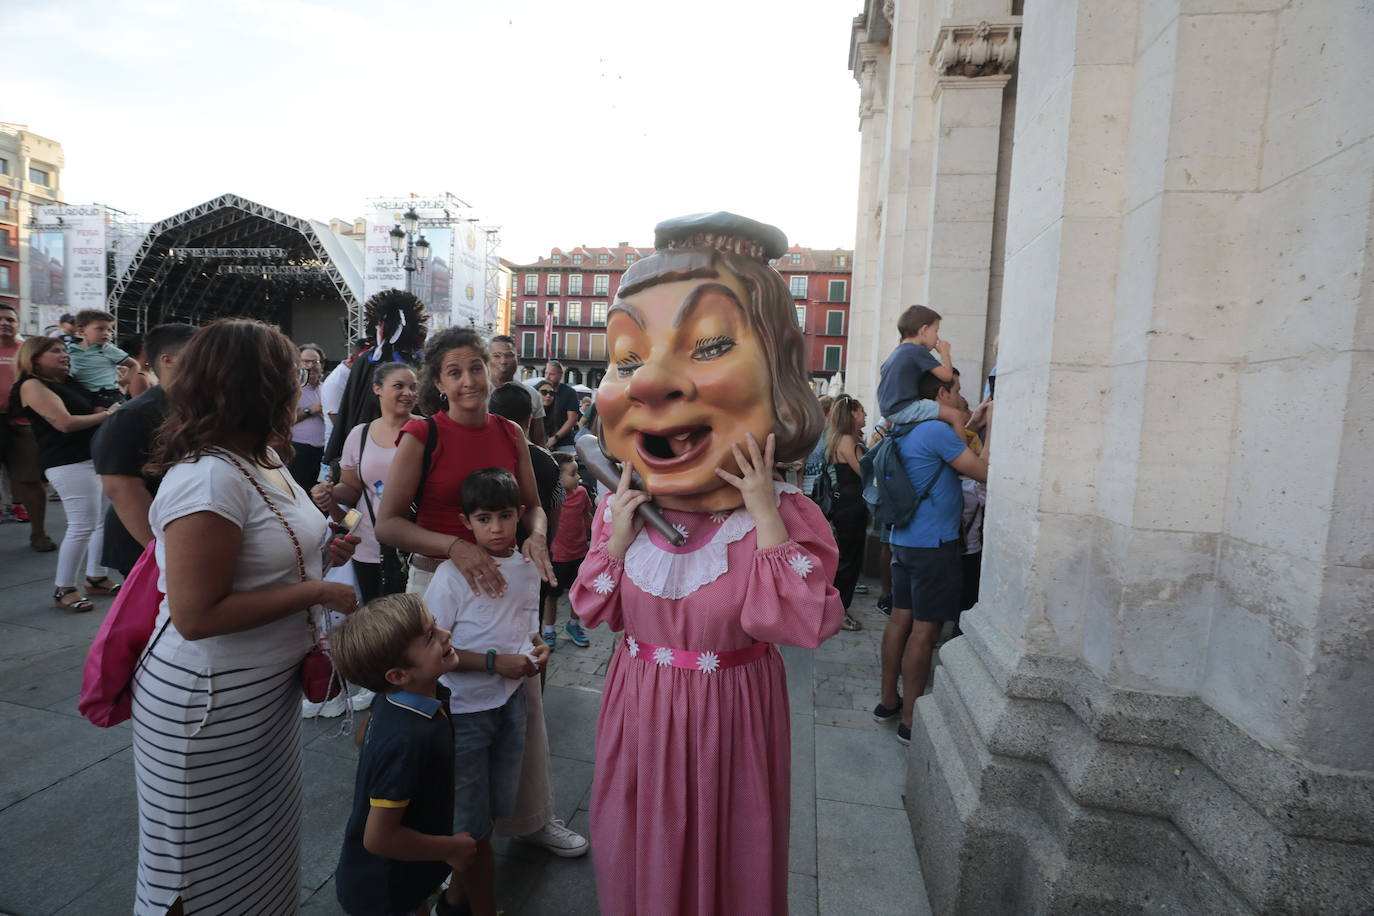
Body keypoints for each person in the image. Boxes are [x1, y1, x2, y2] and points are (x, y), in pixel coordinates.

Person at [569, 212, 844, 915]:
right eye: (626, 359)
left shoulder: (785, 520)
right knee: (637, 847)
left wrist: (765, 516)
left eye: (711, 343)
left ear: (780, 364)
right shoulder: (618, 512)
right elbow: (592, 609)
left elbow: (797, 620)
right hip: (639, 710)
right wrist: (617, 544)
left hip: (731, 723)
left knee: (730, 856)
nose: (648, 384)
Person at [131, 318, 359, 916]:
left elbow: (270, 544)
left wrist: (319, 551)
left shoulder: (260, 456)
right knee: (195, 875)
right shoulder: (207, 477)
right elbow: (196, 614)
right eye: (291, 377)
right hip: (207, 706)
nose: (302, 387)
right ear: (255, 389)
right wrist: (316, 593)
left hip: (259, 694)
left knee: (257, 863)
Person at [422, 468, 550, 916]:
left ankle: (455, 899)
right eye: (484, 519)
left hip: (511, 705)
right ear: (465, 523)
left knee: (488, 817)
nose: (496, 528)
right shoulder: (452, 577)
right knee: (470, 826)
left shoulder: (527, 565)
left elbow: (524, 624)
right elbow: (432, 649)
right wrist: (497, 663)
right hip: (465, 712)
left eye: (504, 516)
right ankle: (480, 906)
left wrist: (536, 646)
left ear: (519, 516)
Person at [373, 327, 554, 601]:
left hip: (502, 579)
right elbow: (387, 525)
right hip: (435, 579)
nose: (469, 381)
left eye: (476, 369)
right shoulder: (422, 435)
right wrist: (455, 546)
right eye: (455, 373)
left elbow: (533, 507)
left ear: (488, 371)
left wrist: (537, 536)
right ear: (438, 383)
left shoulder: (511, 432)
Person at [330, 593, 477, 916]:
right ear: (398, 675)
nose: (445, 634)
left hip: (402, 876)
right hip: (383, 886)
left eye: (435, 625)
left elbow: (361, 738)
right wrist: (451, 848)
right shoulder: (407, 739)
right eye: (430, 637)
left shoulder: (394, 699)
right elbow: (379, 838)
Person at [874, 370, 988, 745]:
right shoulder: (936, 431)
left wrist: (967, 423)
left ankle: (888, 702)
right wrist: (995, 428)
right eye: (957, 391)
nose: (961, 398)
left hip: (905, 540)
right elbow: (983, 472)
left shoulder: (906, 429)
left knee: (899, 623)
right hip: (934, 545)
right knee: (925, 631)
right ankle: (910, 719)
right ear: (941, 393)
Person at [14, 336, 119, 611]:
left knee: (99, 523)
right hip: (67, 461)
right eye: (56, 351)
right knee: (82, 525)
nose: (64, 355)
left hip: (92, 458)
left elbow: (94, 403)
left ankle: (96, 577)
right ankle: (64, 589)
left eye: (64, 350)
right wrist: (108, 414)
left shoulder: (69, 382)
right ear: (35, 358)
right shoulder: (32, 385)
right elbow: (64, 423)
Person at [92, 323, 196, 577]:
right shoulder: (133, 415)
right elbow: (121, 489)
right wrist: (163, 552)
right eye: (200, 353)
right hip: (145, 547)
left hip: (182, 538)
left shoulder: (196, 405)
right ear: (167, 360)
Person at [312, 361, 421, 604]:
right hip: (368, 545)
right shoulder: (359, 434)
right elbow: (352, 491)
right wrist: (329, 493)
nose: (408, 393)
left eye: (413, 387)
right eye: (399, 386)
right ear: (377, 389)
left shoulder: (426, 430)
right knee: (375, 621)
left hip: (414, 545)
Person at [486, 382, 565, 649]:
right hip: (533, 561)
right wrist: (543, 540)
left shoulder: (482, 456)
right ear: (530, 418)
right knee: (532, 638)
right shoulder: (547, 461)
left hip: (488, 562)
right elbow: (554, 513)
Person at [325, 290, 428, 465]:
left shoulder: (366, 361)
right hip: (375, 443)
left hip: (389, 446)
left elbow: (347, 414)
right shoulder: (409, 362)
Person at [0, 302, 54, 551]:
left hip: (22, 425)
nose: (4, 323)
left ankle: (38, 533)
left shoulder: (28, 352)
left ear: (17, 324)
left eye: (10, 319)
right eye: (0, 319)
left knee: (28, 481)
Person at [824, 394, 870, 632]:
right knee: (849, 561)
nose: (865, 416)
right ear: (852, 414)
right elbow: (865, 474)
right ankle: (839, 612)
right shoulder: (848, 441)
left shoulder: (839, 438)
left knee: (846, 559)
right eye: (862, 411)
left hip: (846, 504)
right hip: (851, 505)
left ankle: (837, 609)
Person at [875, 304, 952, 429]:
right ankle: (962, 448)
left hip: (888, 411)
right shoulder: (917, 351)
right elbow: (947, 376)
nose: (937, 337)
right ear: (924, 330)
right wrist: (945, 353)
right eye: (936, 331)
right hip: (903, 408)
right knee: (956, 416)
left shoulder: (899, 351)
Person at [546, 451, 592, 647]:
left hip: (579, 554)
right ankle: (548, 630)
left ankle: (573, 624)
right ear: (557, 477)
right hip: (556, 557)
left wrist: (595, 539)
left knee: (577, 593)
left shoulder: (582, 493)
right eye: (573, 474)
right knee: (552, 596)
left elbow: (587, 516)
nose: (579, 477)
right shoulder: (550, 497)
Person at [66, 308, 145, 407]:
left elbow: (134, 365)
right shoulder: (69, 348)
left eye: (109, 330)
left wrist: (124, 381)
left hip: (107, 394)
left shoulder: (108, 349)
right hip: (81, 392)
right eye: (100, 329)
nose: (106, 333)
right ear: (82, 331)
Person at [287, 342, 327, 492]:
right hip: (299, 451)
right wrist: (311, 410)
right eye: (306, 361)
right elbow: (285, 419)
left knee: (321, 494)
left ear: (321, 365)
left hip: (323, 453)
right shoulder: (293, 389)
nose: (310, 365)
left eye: (315, 362)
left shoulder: (327, 388)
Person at [488, 334, 545, 429]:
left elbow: (539, 439)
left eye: (509, 355)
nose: (503, 361)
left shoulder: (532, 394)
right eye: (497, 356)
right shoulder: (476, 395)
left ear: (517, 359)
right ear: (487, 359)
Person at [541, 360, 581, 453]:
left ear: (560, 375)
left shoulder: (569, 392)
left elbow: (572, 419)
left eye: (552, 374)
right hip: (542, 440)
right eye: (546, 373)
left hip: (564, 442)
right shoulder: (539, 389)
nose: (547, 377)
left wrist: (555, 437)